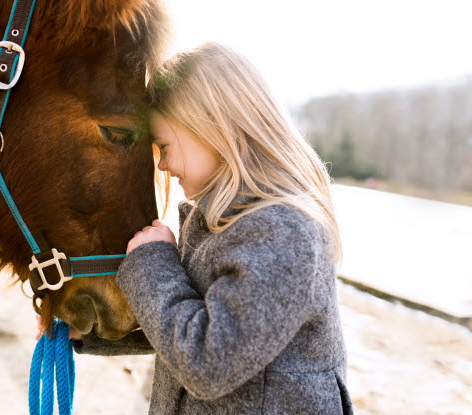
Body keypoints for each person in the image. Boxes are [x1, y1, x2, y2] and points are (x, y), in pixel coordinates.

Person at [48, 42, 353, 414]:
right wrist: (91, 333)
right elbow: (188, 321)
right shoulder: (218, 220)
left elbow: (209, 362)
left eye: (163, 146)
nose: (162, 166)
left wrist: (152, 262)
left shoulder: (285, 232)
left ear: (211, 128)